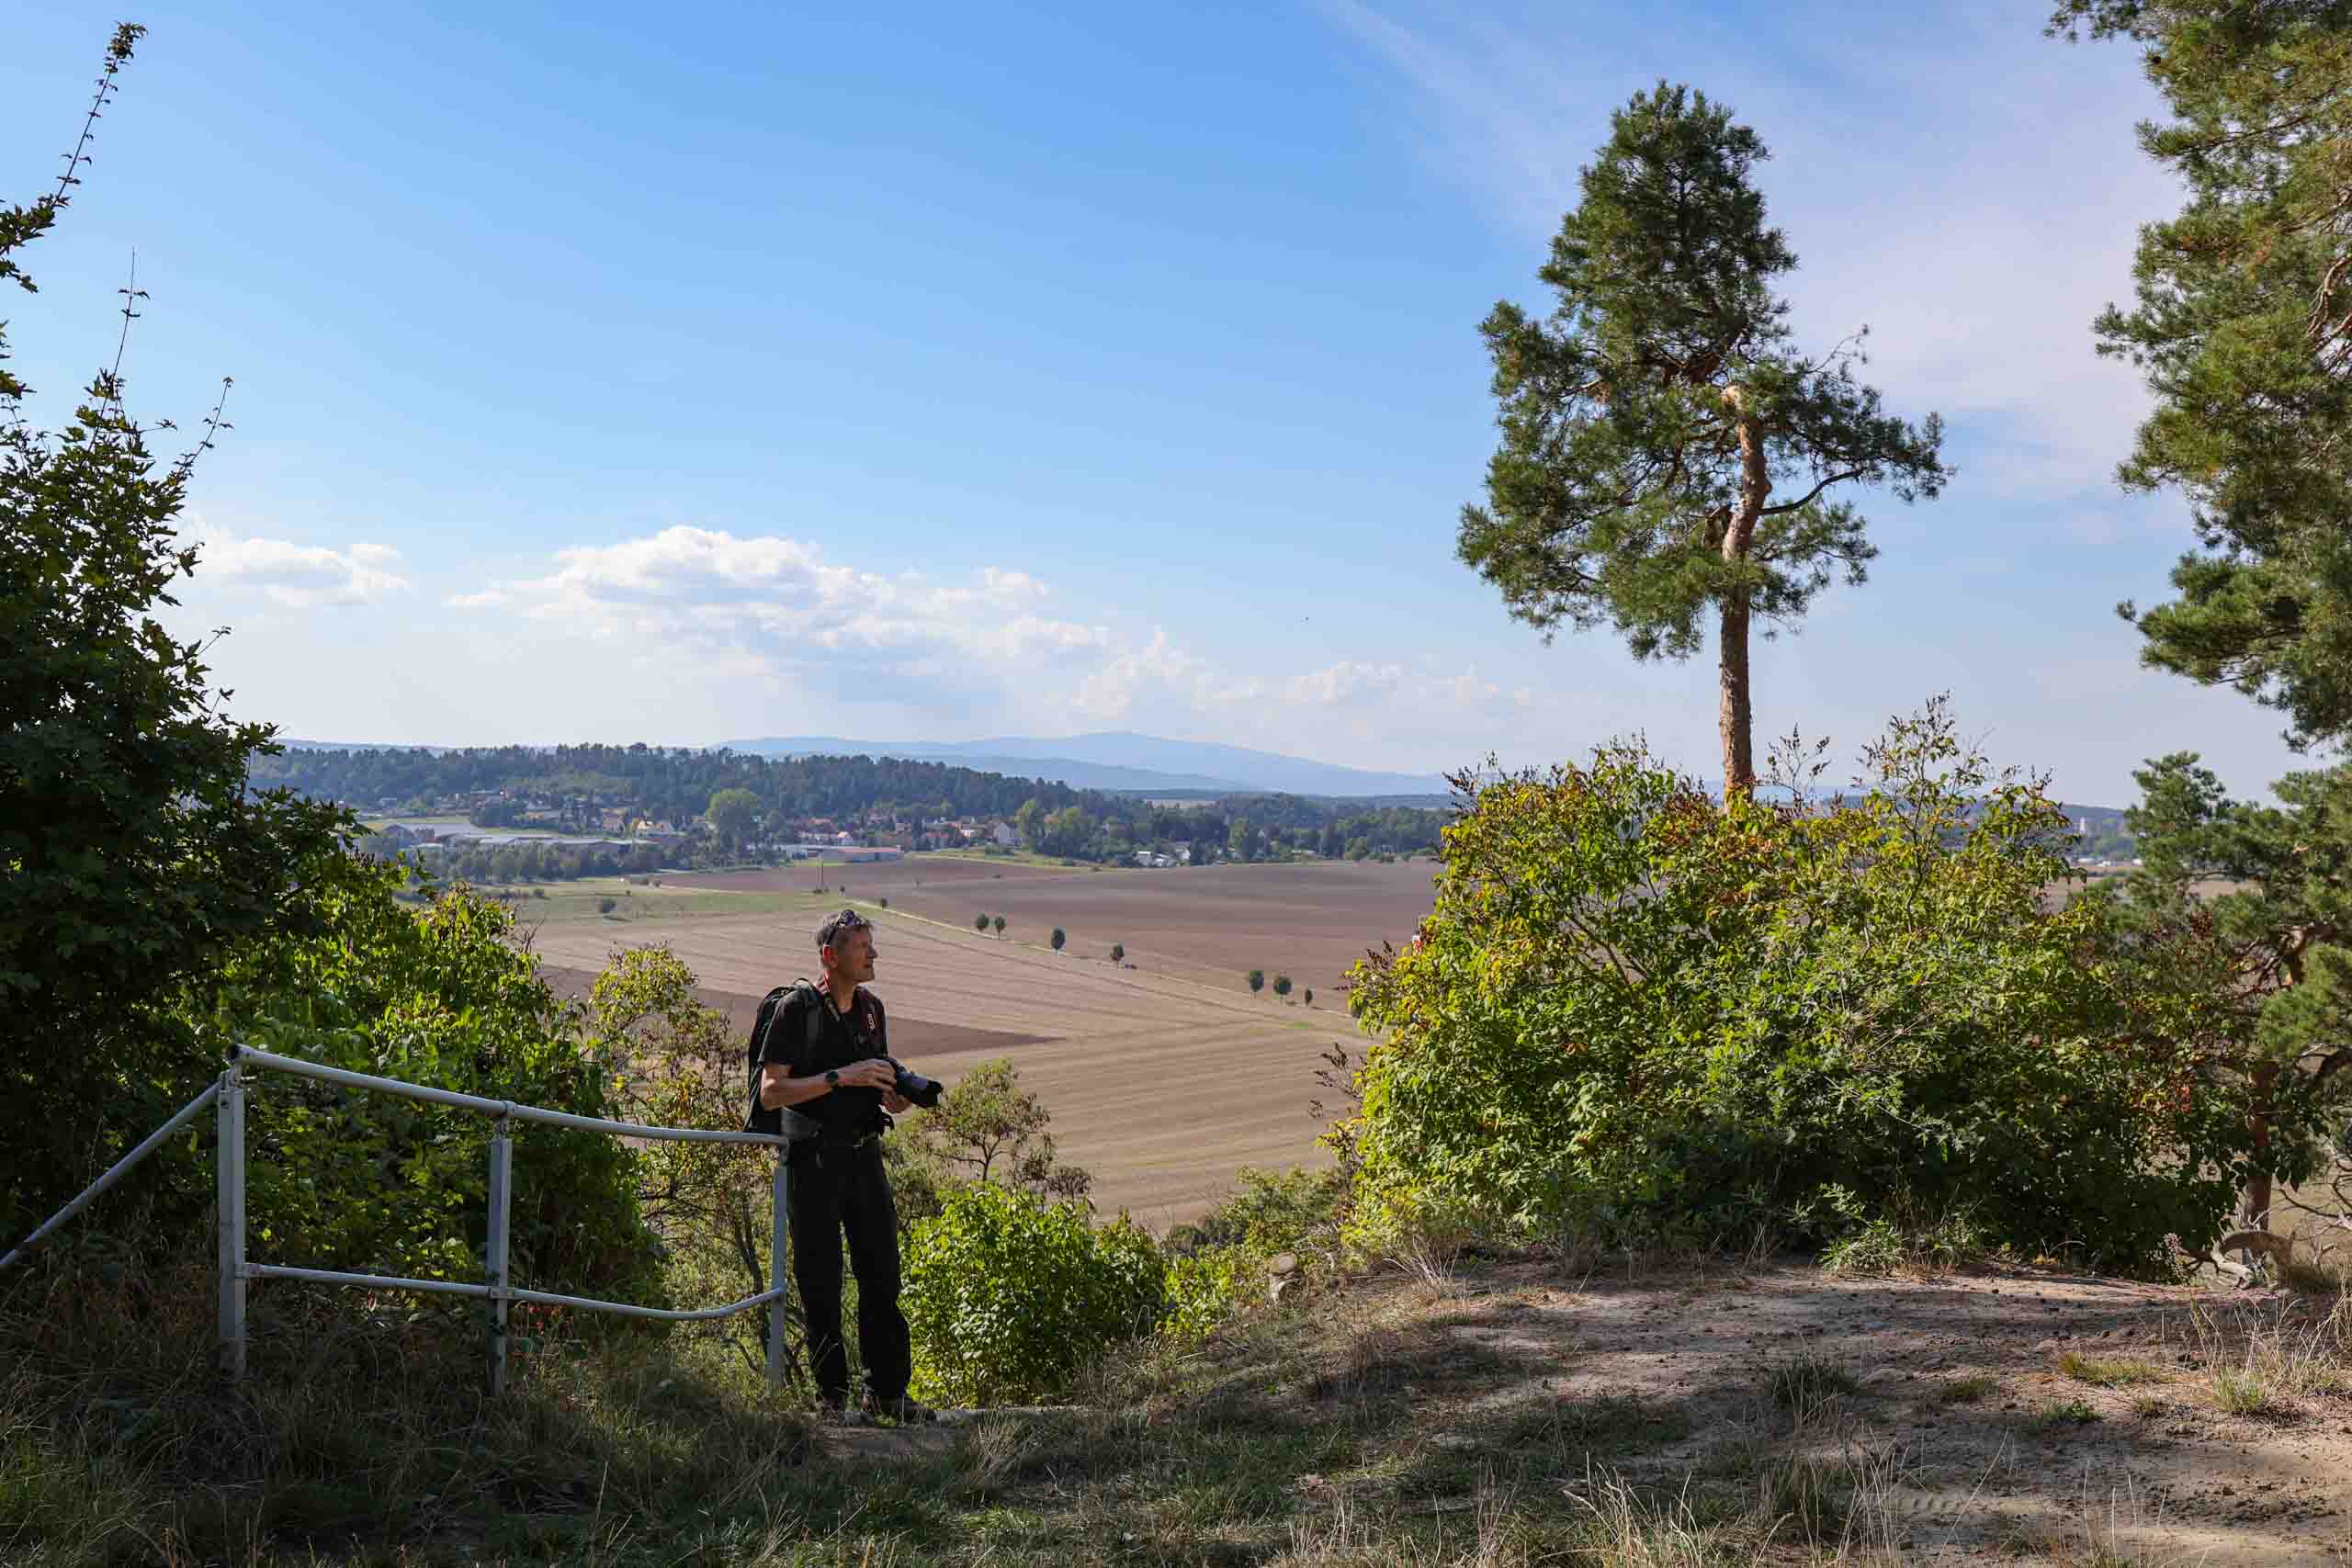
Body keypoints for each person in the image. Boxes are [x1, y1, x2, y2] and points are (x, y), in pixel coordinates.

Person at [751, 908, 933, 1422]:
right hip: (812, 1162)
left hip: (864, 1157)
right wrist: (842, 1077)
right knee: (821, 1282)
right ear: (830, 957)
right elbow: (770, 1093)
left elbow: (873, 1080)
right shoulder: (797, 1011)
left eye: (871, 946)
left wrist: (892, 1095)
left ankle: (888, 1394)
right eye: (861, 947)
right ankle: (831, 1401)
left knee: (882, 1276)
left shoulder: (872, 1009)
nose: (873, 954)